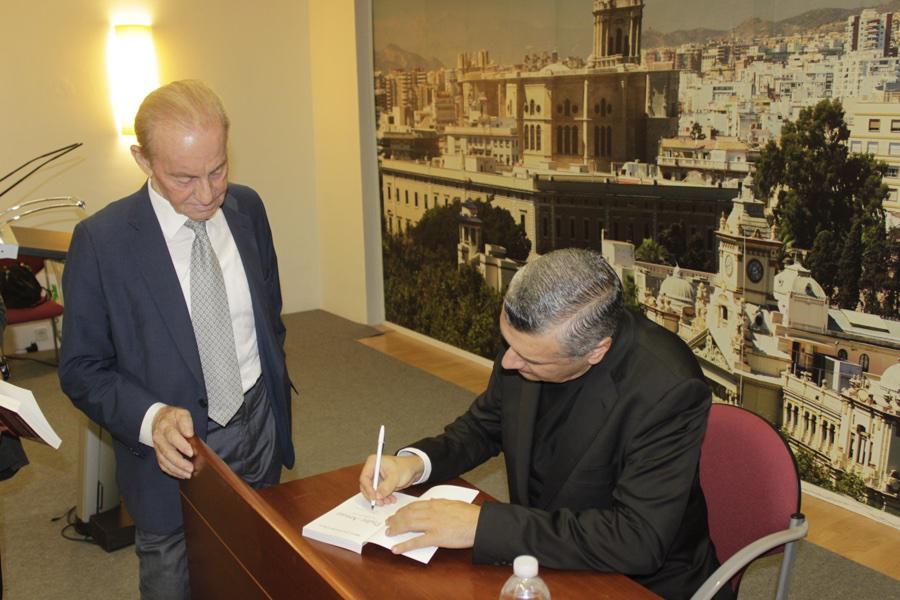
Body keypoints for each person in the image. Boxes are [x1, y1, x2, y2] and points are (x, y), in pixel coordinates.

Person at [359, 248, 730, 600]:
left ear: (595, 351)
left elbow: (636, 540)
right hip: (541, 554)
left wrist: (482, 526)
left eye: (528, 358)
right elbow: (486, 423)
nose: (508, 364)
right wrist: (416, 462)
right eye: (509, 344)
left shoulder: (666, 390)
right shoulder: (529, 342)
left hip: (636, 583)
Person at [59, 80, 294, 600]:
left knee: (262, 572)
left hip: (258, 425)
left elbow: (267, 314)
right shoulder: (103, 242)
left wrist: (268, 394)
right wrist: (152, 418)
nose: (208, 193)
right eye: (185, 178)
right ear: (143, 160)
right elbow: (80, 368)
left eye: (218, 170)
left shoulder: (247, 209)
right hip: (170, 458)